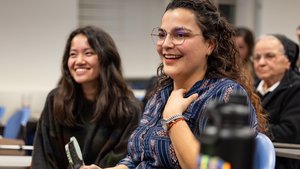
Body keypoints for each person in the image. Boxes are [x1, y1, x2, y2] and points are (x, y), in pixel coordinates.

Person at [83, 0, 267, 168]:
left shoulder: (225, 95)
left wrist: (174, 118)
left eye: (180, 35)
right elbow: (134, 160)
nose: (166, 44)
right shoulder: (161, 95)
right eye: (162, 34)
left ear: (209, 45)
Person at [31, 26, 141, 168]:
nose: (79, 61)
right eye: (73, 54)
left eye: (88, 53)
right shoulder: (55, 100)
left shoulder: (128, 109)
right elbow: (43, 158)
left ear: (106, 58)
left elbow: (127, 160)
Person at [253, 34, 300, 169]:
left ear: (287, 61)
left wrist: (248, 127)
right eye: (257, 57)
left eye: (270, 56)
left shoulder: (296, 89)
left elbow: (290, 132)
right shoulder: (250, 88)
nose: (261, 62)